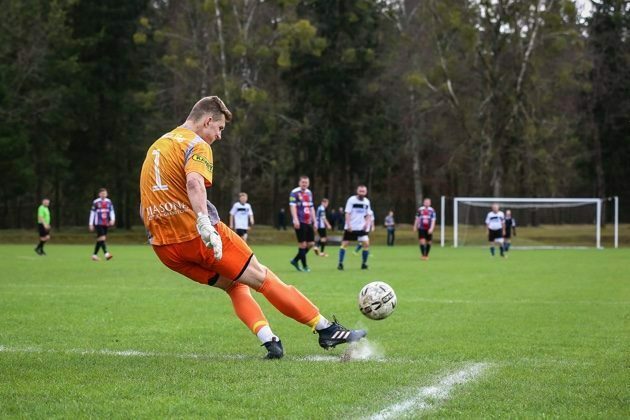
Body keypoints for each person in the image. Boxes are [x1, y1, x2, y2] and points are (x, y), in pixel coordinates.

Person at [139, 96, 365, 359]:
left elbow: (145, 198)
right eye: (220, 129)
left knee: (234, 285)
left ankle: (269, 341)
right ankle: (325, 328)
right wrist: (203, 223)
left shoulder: (158, 145)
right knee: (263, 277)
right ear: (208, 120)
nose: (219, 136)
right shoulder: (196, 143)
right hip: (197, 236)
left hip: (164, 248)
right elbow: (194, 184)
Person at [338, 185, 372, 270]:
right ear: (357, 191)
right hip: (351, 227)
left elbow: (368, 214)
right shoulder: (351, 200)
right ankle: (340, 263)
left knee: (366, 244)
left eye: (363, 191)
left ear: (366, 192)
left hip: (361, 228)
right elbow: (347, 213)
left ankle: (364, 264)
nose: (362, 193)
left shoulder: (367, 202)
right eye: (360, 191)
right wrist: (348, 224)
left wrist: (367, 224)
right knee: (345, 244)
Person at [289, 176, 316, 272]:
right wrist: (295, 219)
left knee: (311, 243)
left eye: (306, 182)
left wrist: (315, 220)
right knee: (303, 244)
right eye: (303, 182)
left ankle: (295, 260)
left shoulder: (309, 193)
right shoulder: (294, 192)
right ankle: (305, 266)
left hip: (308, 221)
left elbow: (311, 207)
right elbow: (292, 207)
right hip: (300, 221)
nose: (304, 184)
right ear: (299, 182)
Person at [89, 188, 116, 261]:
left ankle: (94, 255)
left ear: (107, 194)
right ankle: (106, 254)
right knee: (102, 238)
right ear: (99, 194)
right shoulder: (96, 202)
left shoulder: (109, 202)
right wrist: (91, 224)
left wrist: (112, 219)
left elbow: (111, 211)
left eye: (105, 193)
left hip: (106, 223)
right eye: (102, 193)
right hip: (98, 223)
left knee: (100, 239)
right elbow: (92, 213)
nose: (103, 195)